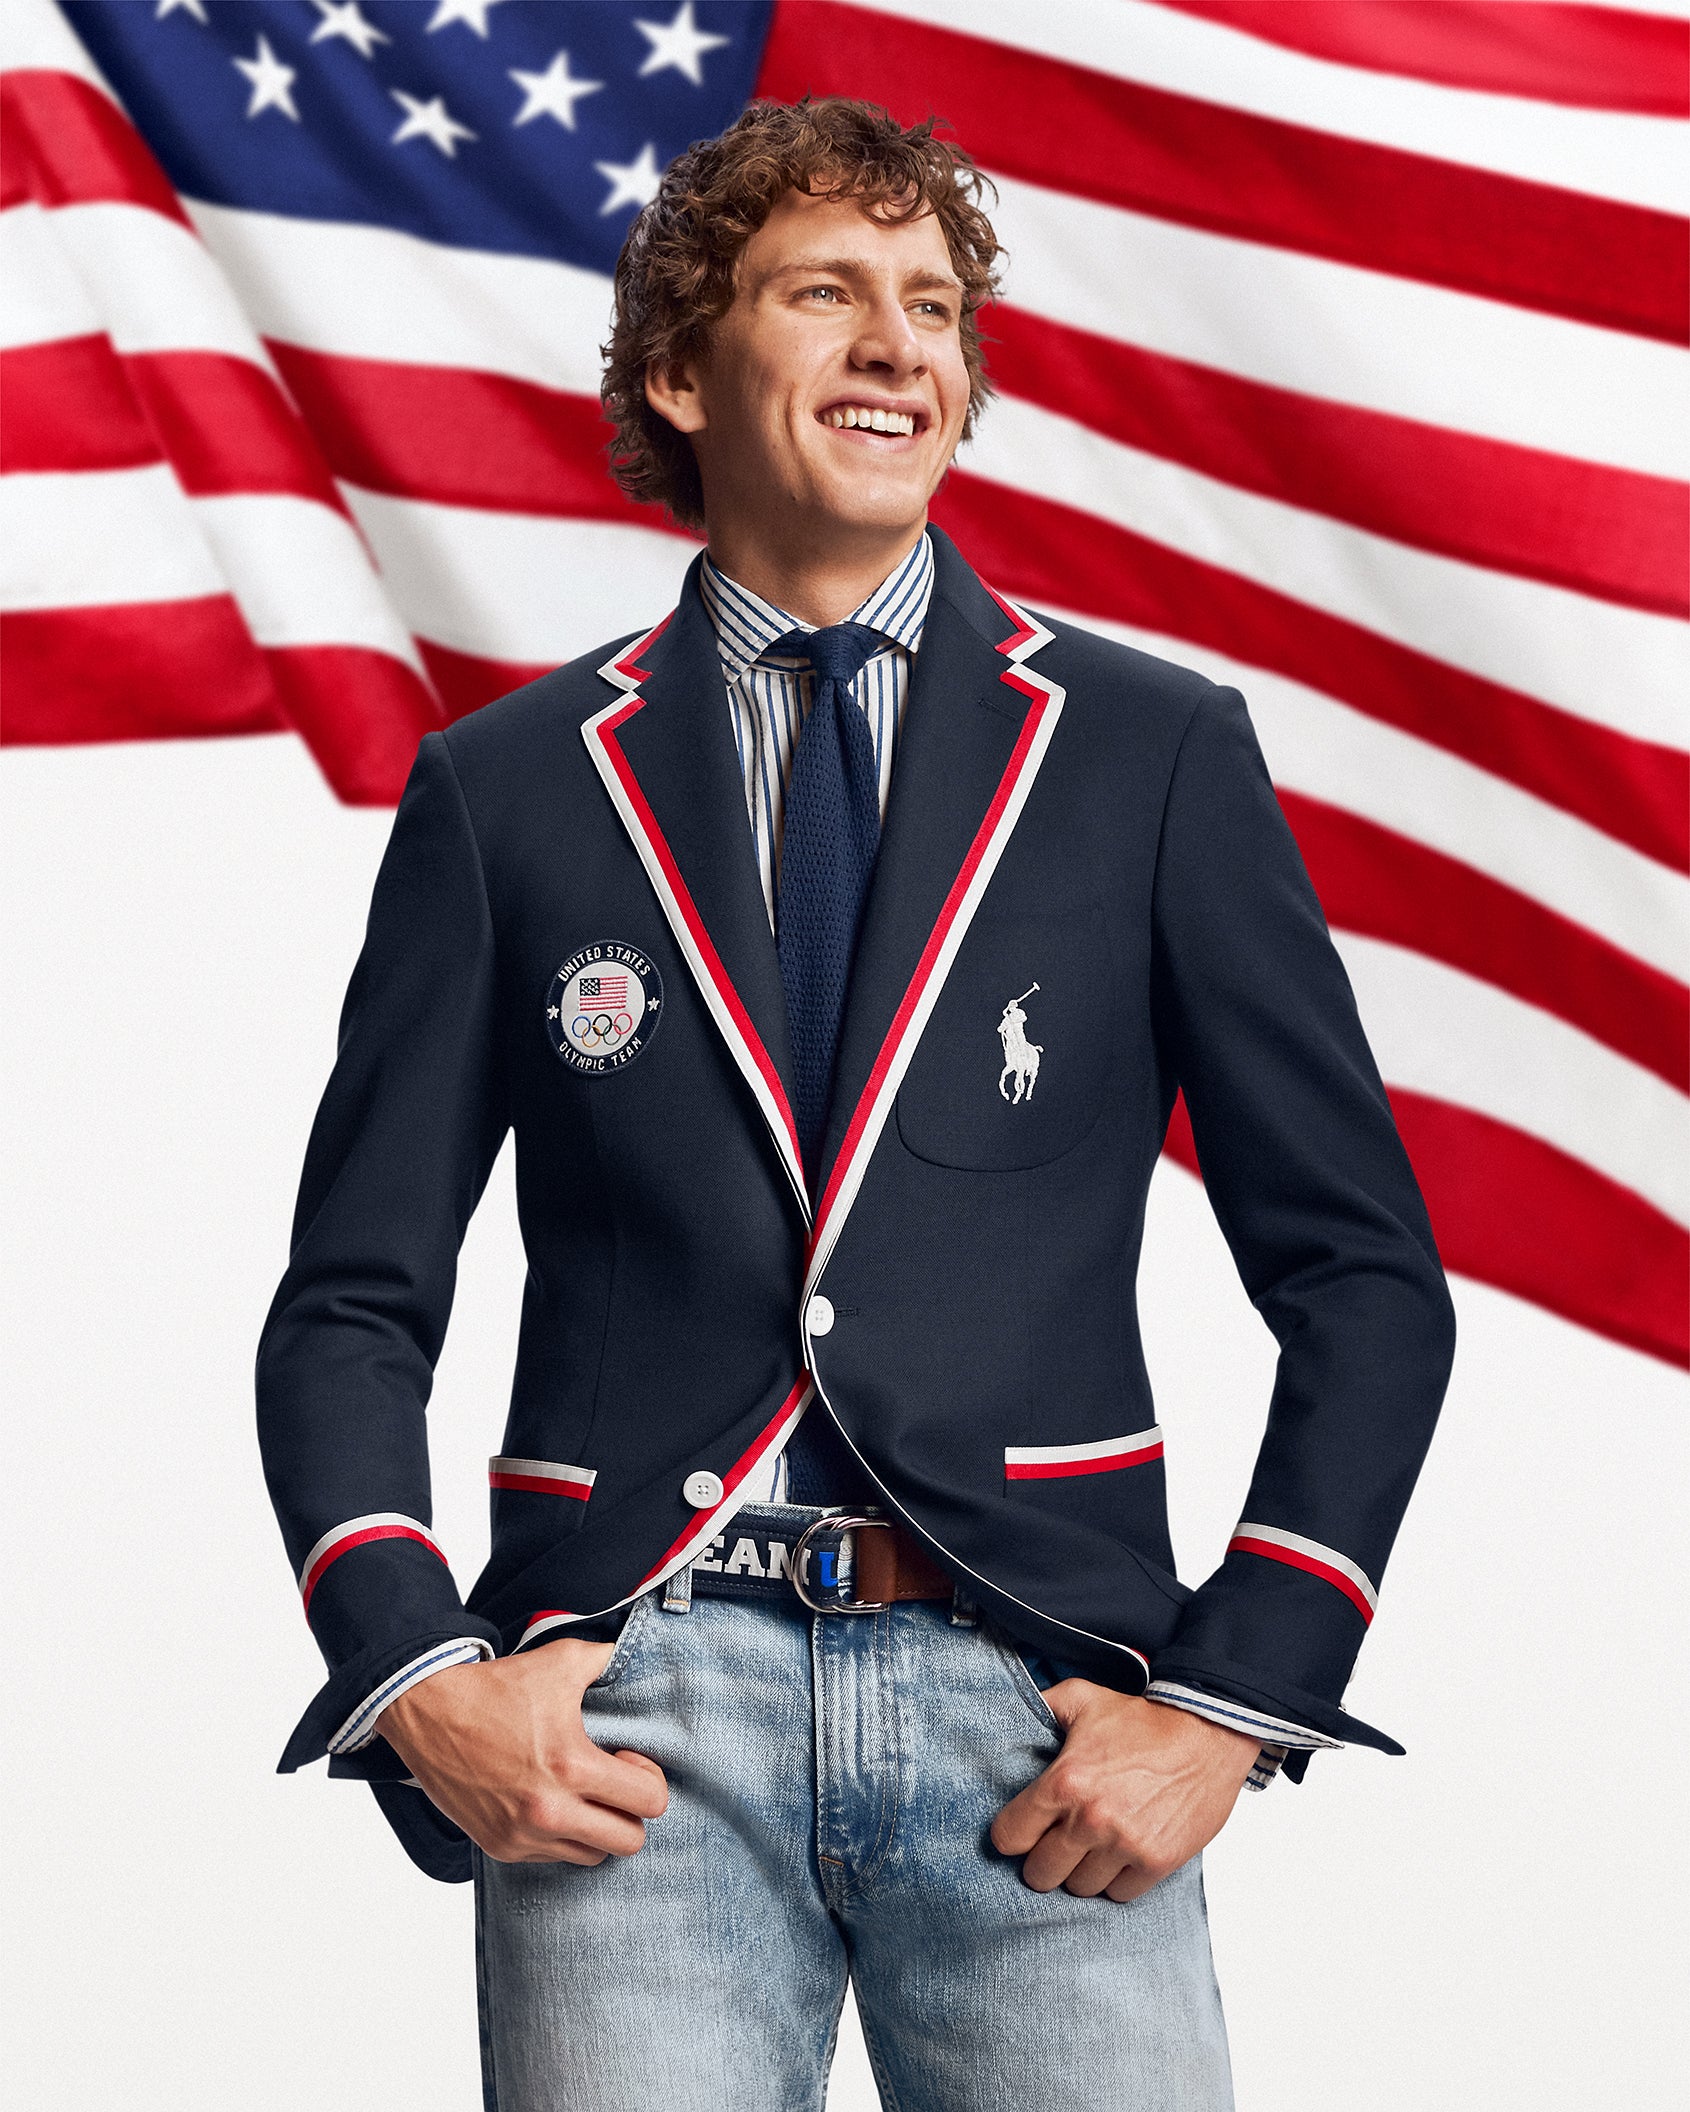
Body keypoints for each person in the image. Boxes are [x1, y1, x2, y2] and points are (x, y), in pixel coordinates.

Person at [256, 97, 1455, 2112]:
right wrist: (420, 1678)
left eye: (932, 306)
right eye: (829, 293)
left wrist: (1232, 1703)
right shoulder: (510, 791)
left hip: (1040, 1712)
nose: (902, 344)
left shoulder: (1148, 759)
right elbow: (348, 1304)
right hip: (630, 1732)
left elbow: (1360, 1277)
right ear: (676, 369)